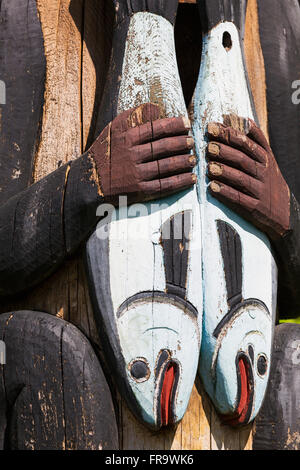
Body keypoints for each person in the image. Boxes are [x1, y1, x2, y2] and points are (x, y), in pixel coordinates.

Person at [0, 0, 299, 449]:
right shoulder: (21, 14)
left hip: (231, 419)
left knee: (293, 359)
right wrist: (88, 184)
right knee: (47, 354)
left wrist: (285, 216)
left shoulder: (275, 19)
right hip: (90, 396)